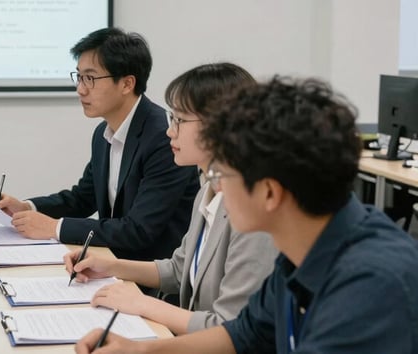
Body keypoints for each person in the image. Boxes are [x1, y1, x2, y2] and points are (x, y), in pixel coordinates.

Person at [75, 77, 418, 354]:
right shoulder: (301, 252)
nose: (216, 189)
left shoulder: (370, 286)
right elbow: (243, 334)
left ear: (269, 192)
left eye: (220, 173)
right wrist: (141, 352)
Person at [64, 63, 277, 335]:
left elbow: (229, 328)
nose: (169, 132)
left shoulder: (254, 213)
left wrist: (142, 304)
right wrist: (110, 266)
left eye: (179, 120)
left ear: (221, 126)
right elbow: (178, 270)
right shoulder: (209, 189)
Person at [0, 27, 200, 261]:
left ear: (126, 84)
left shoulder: (163, 137)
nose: (80, 89)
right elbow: (83, 198)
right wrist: (28, 208)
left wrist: (54, 228)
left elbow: (139, 230)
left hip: (154, 278)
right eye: (79, 77)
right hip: (111, 264)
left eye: (90, 78)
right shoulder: (104, 132)